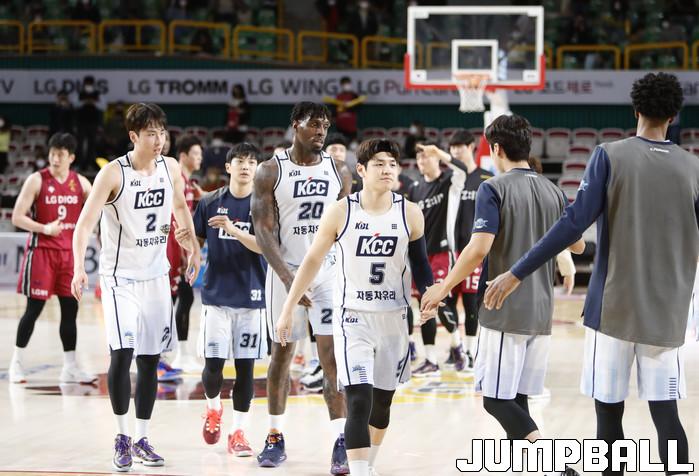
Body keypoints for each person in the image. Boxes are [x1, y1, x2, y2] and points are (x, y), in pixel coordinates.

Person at [483, 73, 695, 476]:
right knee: (667, 415)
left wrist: (517, 272)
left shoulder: (609, 155)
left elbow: (571, 224)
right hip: (667, 315)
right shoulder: (693, 167)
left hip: (612, 310)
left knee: (609, 414)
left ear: (635, 110)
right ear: (673, 116)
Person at [421, 114, 584, 476]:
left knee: (495, 400)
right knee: (518, 399)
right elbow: (577, 244)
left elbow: (479, 248)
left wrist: (443, 288)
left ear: (495, 149)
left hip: (503, 306)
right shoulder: (553, 190)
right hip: (541, 312)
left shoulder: (493, 188)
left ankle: (556, 463)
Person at [275, 138, 436, 476]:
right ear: (361, 170)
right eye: (379, 164)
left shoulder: (409, 212)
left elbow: (421, 265)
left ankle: (368, 464)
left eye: (392, 164)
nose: (388, 169)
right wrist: (288, 308)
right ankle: (360, 471)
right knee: (359, 399)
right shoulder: (341, 211)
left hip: (394, 318)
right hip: (353, 319)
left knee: (382, 404)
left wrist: (430, 294)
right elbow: (312, 260)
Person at [71, 103, 201, 472]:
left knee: (149, 360)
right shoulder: (113, 173)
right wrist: (79, 267)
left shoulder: (170, 167)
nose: (159, 140)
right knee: (122, 354)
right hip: (120, 279)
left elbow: (180, 206)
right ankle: (122, 436)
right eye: (150, 133)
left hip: (156, 276)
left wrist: (192, 247)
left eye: (162, 132)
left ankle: (142, 437)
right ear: (133, 136)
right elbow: (84, 225)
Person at [251, 102, 353, 472]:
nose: (321, 131)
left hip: (327, 273)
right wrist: (287, 278)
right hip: (286, 271)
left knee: (332, 358)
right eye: (314, 125)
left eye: (325, 125)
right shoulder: (270, 170)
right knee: (281, 356)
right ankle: (274, 435)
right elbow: (262, 229)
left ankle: (341, 440)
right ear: (296, 125)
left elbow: (346, 225)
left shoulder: (339, 170)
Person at [194, 142, 267, 456]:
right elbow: (197, 240)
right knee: (213, 368)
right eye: (240, 161)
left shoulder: (264, 204)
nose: (246, 166)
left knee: (245, 370)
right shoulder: (209, 202)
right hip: (216, 298)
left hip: (251, 299)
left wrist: (233, 230)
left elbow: (264, 246)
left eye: (251, 161)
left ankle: (238, 432)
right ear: (228, 167)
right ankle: (213, 408)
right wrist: (188, 249)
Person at [8, 132, 94, 384]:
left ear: (71, 157)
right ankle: (16, 363)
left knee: (70, 311)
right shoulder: (36, 180)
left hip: (69, 255)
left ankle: (70, 367)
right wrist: (44, 228)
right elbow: (17, 216)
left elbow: (99, 208)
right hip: (42, 253)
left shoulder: (81, 183)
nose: (55, 159)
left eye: (60, 155)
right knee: (33, 310)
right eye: (52, 154)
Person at [407, 140, 467, 375]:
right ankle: (431, 359)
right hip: (420, 255)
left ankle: (458, 344)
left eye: (427, 156)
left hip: (442, 252)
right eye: (419, 157)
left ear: (437, 159)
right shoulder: (415, 188)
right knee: (424, 306)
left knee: (438, 302)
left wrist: (439, 152)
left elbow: (463, 169)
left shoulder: (449, 181)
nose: (422, 160)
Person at [449, 130, 493, 370]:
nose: (456, 151)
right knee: (447, 300)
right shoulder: (449, 178)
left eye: (460, 146)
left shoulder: (486, 178)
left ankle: (471, 349)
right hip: (449, 250)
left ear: (471, 147)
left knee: (471, 303)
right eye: (452, 147)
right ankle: (455, 348)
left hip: (474, 250)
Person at [167, 134, 204, 372]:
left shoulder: (189, 182)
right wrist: (184, 251)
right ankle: (165, 354)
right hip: (173, 246)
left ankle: (179, 353)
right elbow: (175, 218)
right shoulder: (177, 179)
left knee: (184, 297)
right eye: (196, 154)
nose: (200, 158)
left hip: (181, 246)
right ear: (183, 156)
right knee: (171, 299)